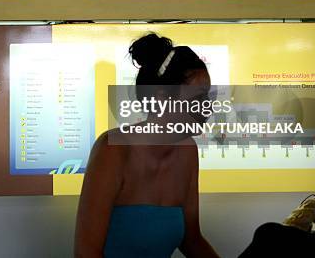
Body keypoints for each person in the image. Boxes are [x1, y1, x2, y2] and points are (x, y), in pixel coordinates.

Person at [74, 33, 220, 258]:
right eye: (197, 100)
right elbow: (86, 253)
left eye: (207, 99)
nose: (207, 109)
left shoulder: (187, 151)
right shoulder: (113, 149)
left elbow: (192, 239)